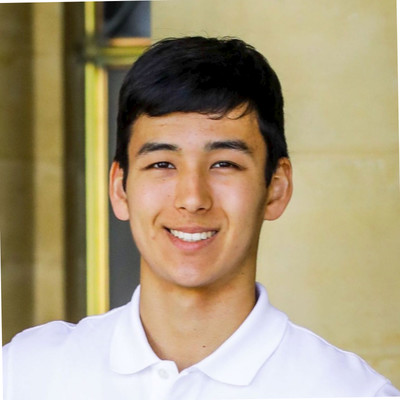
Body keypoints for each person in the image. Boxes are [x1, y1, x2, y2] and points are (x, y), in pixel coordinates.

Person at [3, 36, 399, 399]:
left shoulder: (350, 393)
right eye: (162, 164)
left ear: (276, 188)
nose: (192, 198)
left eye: (224, 164)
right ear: (120, 189)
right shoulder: (26, 375)